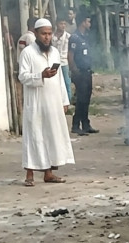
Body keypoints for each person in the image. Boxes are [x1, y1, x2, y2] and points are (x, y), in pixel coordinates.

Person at [18, 18, 73, 186]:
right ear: (36, 34)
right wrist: (40, 75)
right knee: (34, 135)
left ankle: (49, 173)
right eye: (43, 34)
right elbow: (22, 77)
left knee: (50, 135)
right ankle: (29, 175)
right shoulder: (27, 53)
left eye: (49, 34)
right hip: (35, 102)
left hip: (53, 101)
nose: (47, 37)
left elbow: (61, 80)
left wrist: (64, 100)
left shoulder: (55, 52)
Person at [68, 13, 99, 135]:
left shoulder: (85, 37)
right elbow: (70, 55)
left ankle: (86, 124)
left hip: (87, 72)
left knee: (86, 99)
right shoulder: (75, 37)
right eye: (88, 22)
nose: (89, 24)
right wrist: (74, 70)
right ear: (82, 22)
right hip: (80, 72)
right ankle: (76, 125)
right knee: (81, 100)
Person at [53, 17, 72, 103]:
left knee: (67, 82)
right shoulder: (52, 36)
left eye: (64, 24)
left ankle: (68, 101)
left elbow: (70, 52)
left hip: (64, 62)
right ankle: (58, 101)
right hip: (54, 62)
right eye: (61, 24)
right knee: (55, 83)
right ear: (57, 24)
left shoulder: (68, 36)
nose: (63, 26)